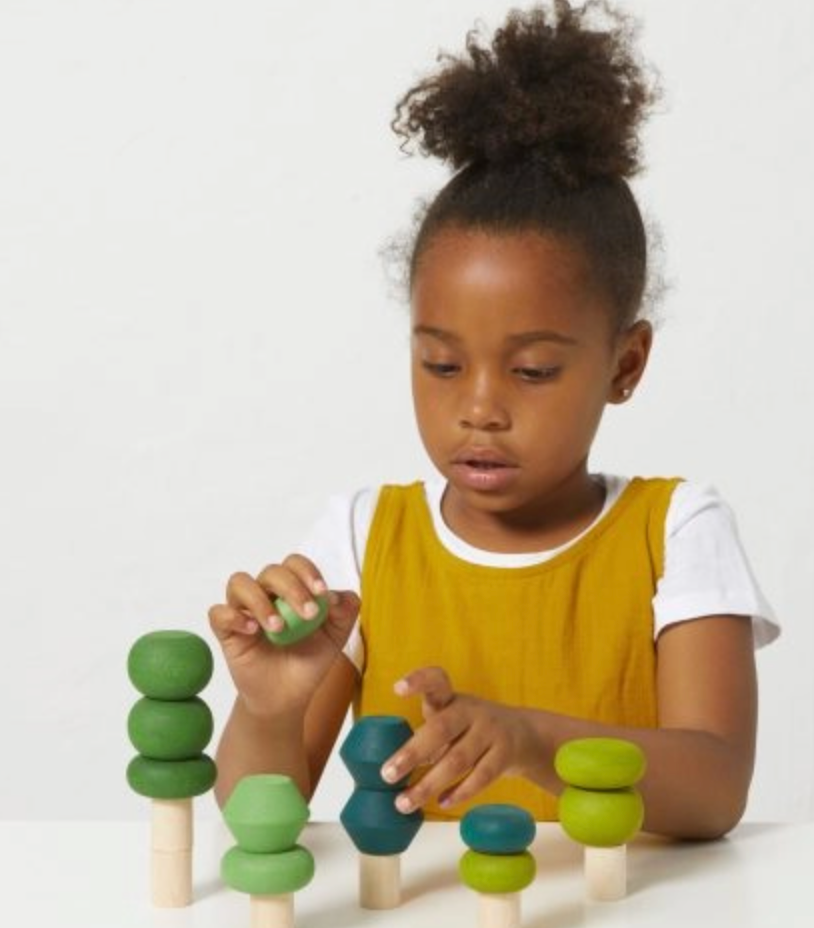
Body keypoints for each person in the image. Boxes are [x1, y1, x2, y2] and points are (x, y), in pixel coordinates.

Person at [209, 0, 779, 840]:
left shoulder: (676, 530)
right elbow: (262, 809)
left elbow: (715, 789)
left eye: (533, 371)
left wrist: (533, 741)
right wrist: (265, 708)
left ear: (625, 365)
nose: (478, 407)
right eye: (440, 364)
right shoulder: (366, 540)